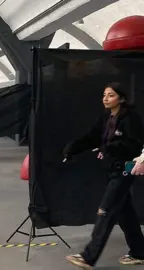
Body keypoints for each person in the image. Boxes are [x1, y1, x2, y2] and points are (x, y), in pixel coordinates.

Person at [63, 82, 144, 268]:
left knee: (105, 212)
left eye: (111, 95)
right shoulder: (106, 117)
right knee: (125, 213)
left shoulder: (131, 118)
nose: (105, 99)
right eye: (104, 95)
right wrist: (72, 149)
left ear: (121, 98)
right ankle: (140, 252)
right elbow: (91, 136)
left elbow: (135, 144)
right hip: (110, 169)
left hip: (124, 170)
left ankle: (88, 257)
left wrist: (109, 147)